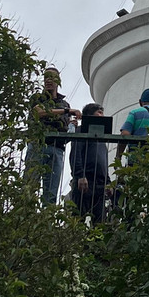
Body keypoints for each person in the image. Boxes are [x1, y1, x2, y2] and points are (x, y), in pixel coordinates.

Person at [29, 67, 81, 204]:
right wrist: (67, 111)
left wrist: (71, 126)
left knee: (51, 193)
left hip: (57, 149)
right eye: (46, 77)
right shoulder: (38, 99)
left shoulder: (64, 103)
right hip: (37, 146)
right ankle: (25, 221)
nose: (48, 80)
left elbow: (64, 130)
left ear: (58, 81)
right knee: (29, 187)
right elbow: (38, 112)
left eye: (52, 77)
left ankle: (46, 222)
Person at [70, 102, 110, 224]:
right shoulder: (81, 131)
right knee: (78, 220)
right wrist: (80, 175)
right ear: (89, 115)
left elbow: (104, 163)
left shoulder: (101, 138)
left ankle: (95, 243)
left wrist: (107, 182)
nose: (102, 116)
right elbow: (75, 154)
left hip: (100, 185)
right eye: (99, 112)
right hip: (85, 181)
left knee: (99, 223)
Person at [114, 88, 149, 167]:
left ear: (140, 102)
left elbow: (125, 134)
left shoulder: (135, 113)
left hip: (137, 161)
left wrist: (118, 157)